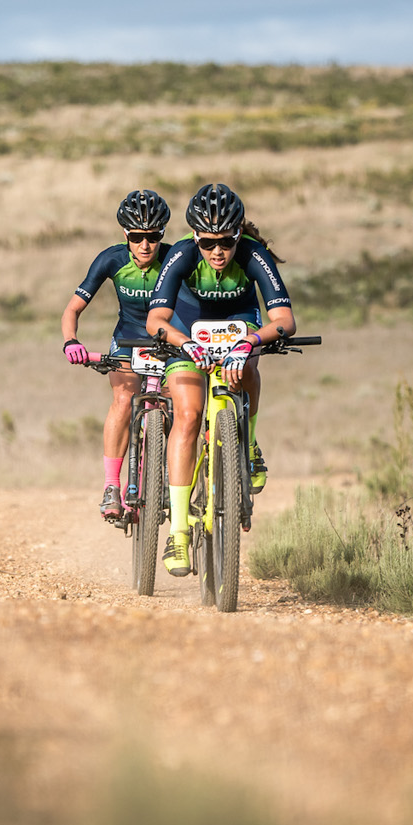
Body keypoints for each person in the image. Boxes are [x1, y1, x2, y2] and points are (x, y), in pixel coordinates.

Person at [144, 183, 295, 577]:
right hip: (187, 331)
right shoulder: (180, 254)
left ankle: (250, 444)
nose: (217, 252)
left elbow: (285, 321)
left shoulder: (253, 255)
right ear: (195, 236)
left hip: (238, 328)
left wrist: (250, 343)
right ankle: (177, 531)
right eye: (208, 242)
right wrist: (183, 344)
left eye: (226, 242)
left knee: (247, 366)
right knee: (189, 417)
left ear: (238, 235)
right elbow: (155, 321)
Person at [61, 189, 174, 520]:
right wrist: (72, 341)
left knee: (180, 407)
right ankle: (112, 485)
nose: (145, 245)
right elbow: (72, 309)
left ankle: (165, 475)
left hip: (168, 343)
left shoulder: (174, 259)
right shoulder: (111, 259)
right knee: (123, 401)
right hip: (127, 342)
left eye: (153, 237)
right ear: (126, 234)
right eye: (137, 236)